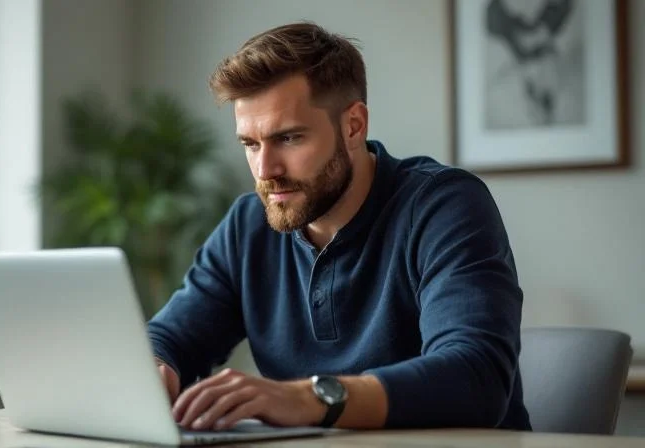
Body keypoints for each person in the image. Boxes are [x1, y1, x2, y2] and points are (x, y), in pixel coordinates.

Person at [147, 22, 531, 432]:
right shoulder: (247, 227)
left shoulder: (443, 206)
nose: (265, 170)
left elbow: (476, 378)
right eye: (251, 144)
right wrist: (154, 371)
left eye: (289, 138)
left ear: (353, 126)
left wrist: (310, 397)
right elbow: (169, 339)